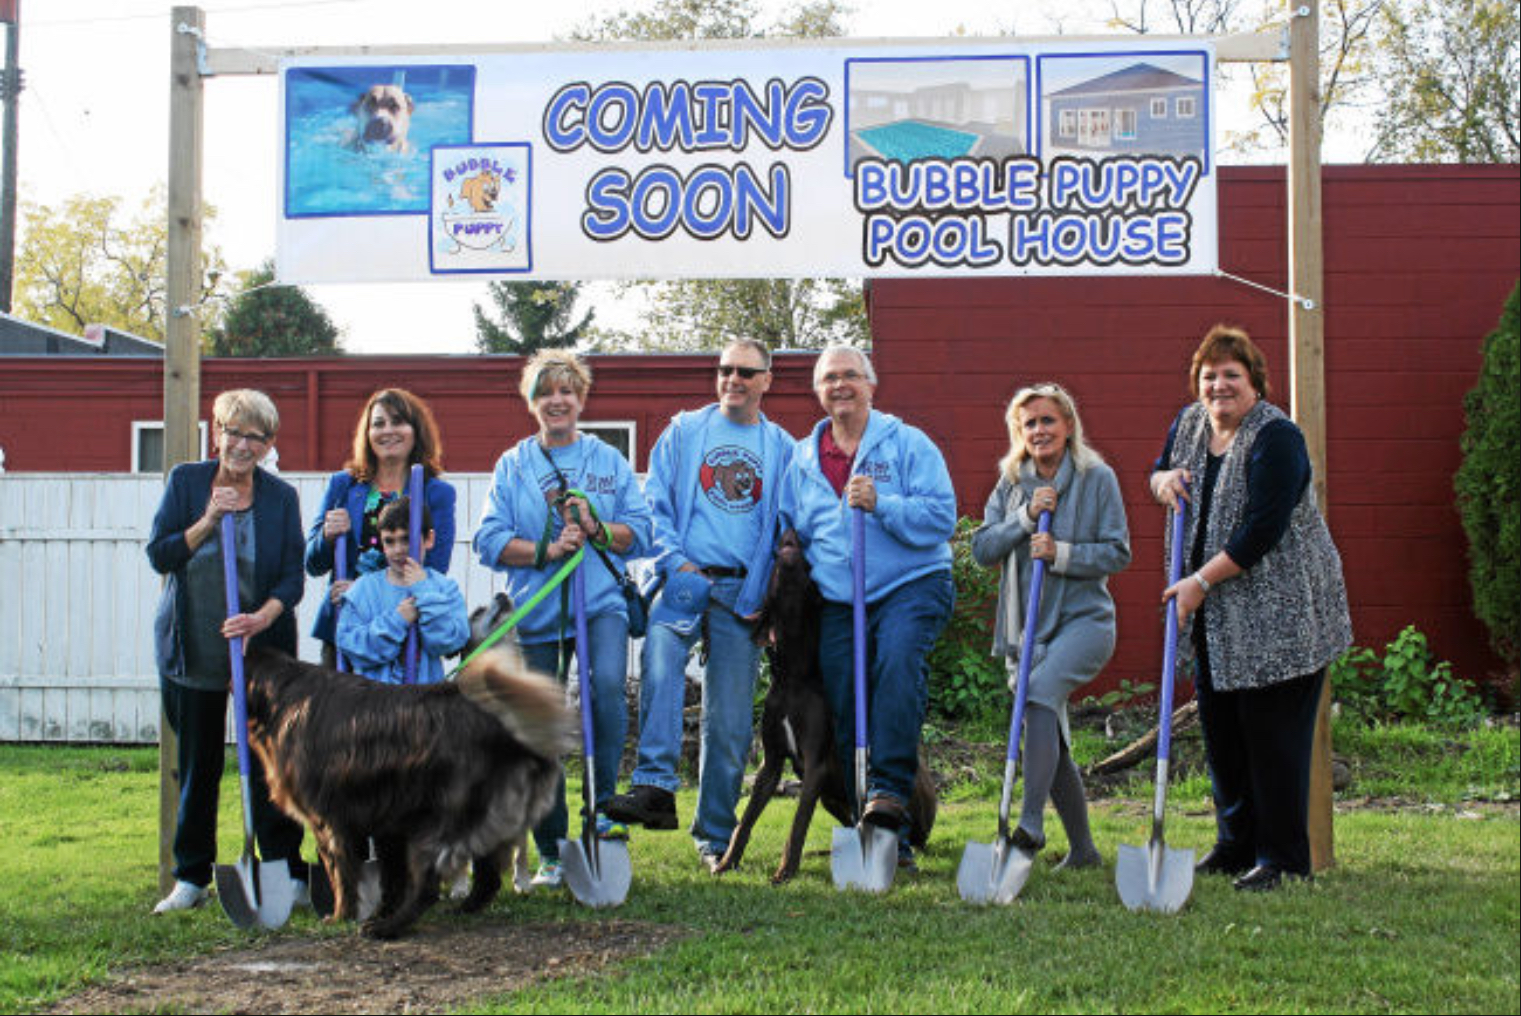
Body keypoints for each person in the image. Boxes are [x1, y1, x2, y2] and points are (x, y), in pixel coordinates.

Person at [1151, 324, 1351, 892]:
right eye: (1209, 376)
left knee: (1273, 737)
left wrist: (1197, 583)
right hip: (1220, 617)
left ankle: (1284, 857)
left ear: (1255, 383)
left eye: (1231, 376)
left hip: (1283, 611)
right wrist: (1162, 479)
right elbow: (1159, 469)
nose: (1219, 387)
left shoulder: (1277, 438)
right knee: (1223, 732)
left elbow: (1261, 530)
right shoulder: (1190, 424)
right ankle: (1236, 846)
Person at [603, 338, 795, 873]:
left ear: (766, 381)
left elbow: (786, 526)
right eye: (725, 369)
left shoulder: (781, 447)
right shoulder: (686, 431)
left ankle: (715, 834)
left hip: (743, 591)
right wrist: (673, 561)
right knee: (662, 665)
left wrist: (773, 600)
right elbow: (654, 503)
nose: (733, 378)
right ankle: (656, 788)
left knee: (730, 722)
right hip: (686, 577)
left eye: (746, 372)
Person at [473, 349, 652, 889]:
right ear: (532, 403)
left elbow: (640, 532)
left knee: (604, 692)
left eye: (567, 391)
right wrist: (546, 549)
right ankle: (551, 847)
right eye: (546, 392)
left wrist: (598, 528)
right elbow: (488, 540)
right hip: (539, 606)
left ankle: (602, 811)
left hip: (599, 601)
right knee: (540, 724)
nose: (557, 400)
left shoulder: (606, 461)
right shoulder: (515, 465)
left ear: (581, 399)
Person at [779, 345, 956, 871]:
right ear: (818, 390)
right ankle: (876, 830)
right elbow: (788, 533)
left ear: (871, 385)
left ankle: (889, 802)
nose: (840, 386)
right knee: (845, 701)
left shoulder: (907, 444)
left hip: (911, 583)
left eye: (850, 376)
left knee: (897, 667)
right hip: (840, 596)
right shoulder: (802, 459)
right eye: (829, 378)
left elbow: (941, 517)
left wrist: (884, 503)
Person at [145, 389, 308, 913]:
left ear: (267, 445)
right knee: (199, 764)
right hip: (194, 649)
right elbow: (160, 554)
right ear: (216, 432)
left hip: (262, 653)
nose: (240, 444)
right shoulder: (187, 483)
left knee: (269, 763)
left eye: (253, 436)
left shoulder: (281, 497)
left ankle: (282, 867)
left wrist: (262, 617)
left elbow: (291, 577)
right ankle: (191, 876)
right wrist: (208, 521)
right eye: (231, 431)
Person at [971, 383, 1130, 868]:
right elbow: (982, 550)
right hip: (1026, 630)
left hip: (1085, 623)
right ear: (1019, 431)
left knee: (1038, 695)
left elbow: (1118, 551)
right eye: (1029, 422)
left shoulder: (1096, 478)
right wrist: (1024, 518)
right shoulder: (1011, 483)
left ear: (1068, 426)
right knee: (1051, 741)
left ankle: (1031, 821)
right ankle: (1083, 850)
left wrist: (1060, 553)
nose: (1039, 430)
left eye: (1048, 420)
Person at [305, 389, 456, 668]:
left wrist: (361, 594)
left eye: (398, 421)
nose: (388, 431)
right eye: (378, 424)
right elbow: (313, 564)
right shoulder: (344, 485)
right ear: (367, 433)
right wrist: (327, 535)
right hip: (347, 630)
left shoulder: (436, 493)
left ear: (416, 431)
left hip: (405, 630)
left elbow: (434, 567)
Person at [336, 497, 469, 685]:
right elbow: (352, 648)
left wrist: (424, 592)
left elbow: (447, 643)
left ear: (429, 539)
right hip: (375, 704)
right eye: (389, 542)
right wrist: (397, 621)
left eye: (407, 539)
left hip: (425, 702)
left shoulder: (444, 588)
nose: (398, 550)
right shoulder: (363, 589)